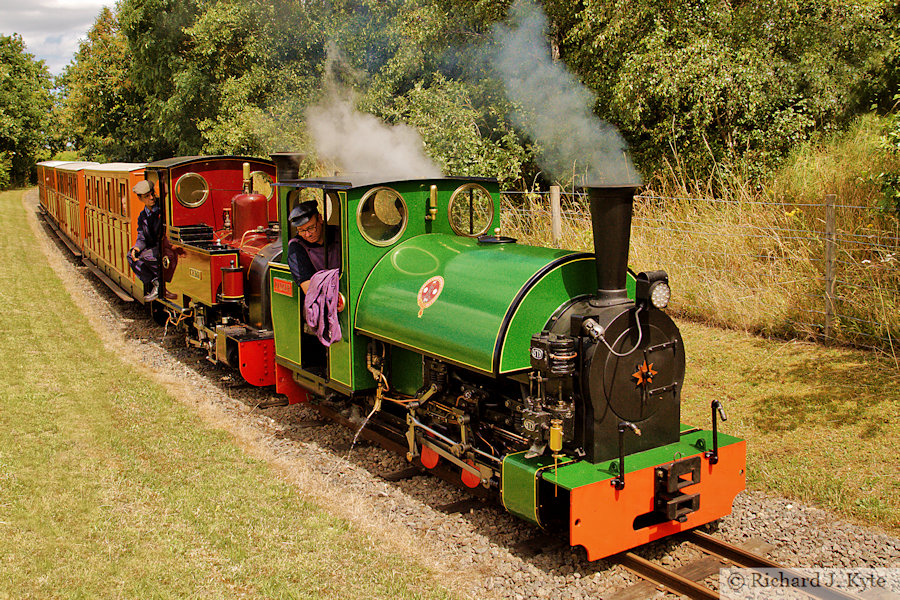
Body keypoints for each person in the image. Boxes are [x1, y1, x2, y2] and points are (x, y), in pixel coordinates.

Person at [287, 200, 344, 346]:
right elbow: (308, 288)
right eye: (301, 230)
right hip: (325, 302)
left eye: (311, 228)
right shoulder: (296, 248)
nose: (307, 234)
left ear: (320, 218)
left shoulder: (340, 233)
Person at [128, 179, 161, 301]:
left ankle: (162, 282)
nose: (152, 198)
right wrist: (136, 248)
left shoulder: (163, 209)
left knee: (146, 256)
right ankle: (156, 282)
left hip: (164, 246)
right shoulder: (143, 216)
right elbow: (141, 236)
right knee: (130, 255)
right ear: (140, 199)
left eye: (152, 194)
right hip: (152, 248)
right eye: (147, 196)